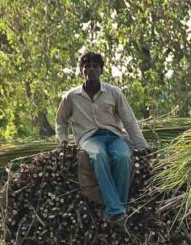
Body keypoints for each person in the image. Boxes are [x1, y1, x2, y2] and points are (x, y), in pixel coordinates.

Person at [56, 51, 148, 226]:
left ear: (101, 70)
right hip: (89, 138)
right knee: (99, 156)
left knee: (122, 157)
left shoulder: (114, 93)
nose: (91, 70)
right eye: (87, 66)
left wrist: (142, 146)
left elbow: (129, 121)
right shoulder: (71, 97)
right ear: (81, 71)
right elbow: (60, 122)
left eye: (95, 66)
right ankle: (117, 210)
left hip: (114, 136)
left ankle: (115, 210)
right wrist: (63, 141)